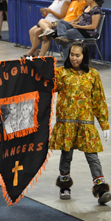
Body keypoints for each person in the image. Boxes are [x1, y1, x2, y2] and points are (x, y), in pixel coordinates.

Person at [50, 42, 111, 204]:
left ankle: (101, 190)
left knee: (92, 156)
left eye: (77, 55)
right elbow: (47, 86)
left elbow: (99, 100)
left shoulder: (93, 75)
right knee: (66, 155)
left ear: (84, 56)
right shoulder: (61, 73)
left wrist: (105, 124)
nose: (74, 58)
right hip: (67, 123)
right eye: (72, 54)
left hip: (86, 124)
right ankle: (64, 185)